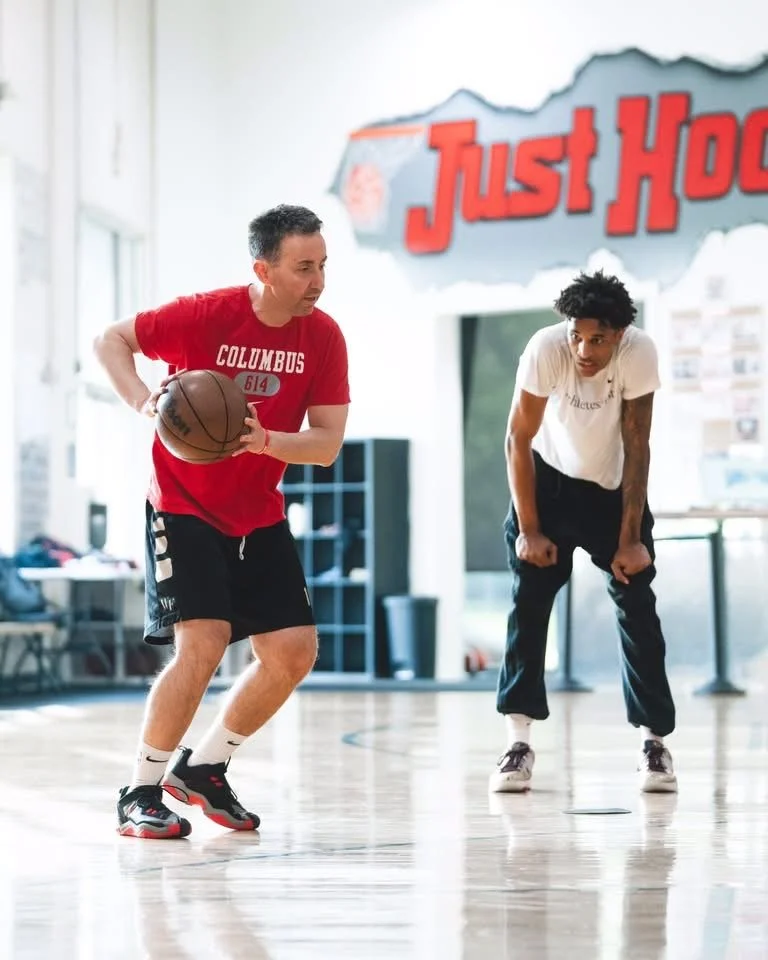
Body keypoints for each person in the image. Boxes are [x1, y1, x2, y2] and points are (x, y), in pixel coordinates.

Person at [94, 204, 350, 838]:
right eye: (302, 268)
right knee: (203, 645)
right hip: (181, 503)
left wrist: (265, 441)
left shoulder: (323, 336)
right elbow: (112, 340)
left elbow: (325, 443)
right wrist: (143, 399)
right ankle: (140, 790)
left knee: (293, 651)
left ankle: (205, 768)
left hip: (256, 509)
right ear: (263, 269)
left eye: (322, 265)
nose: (317, 281)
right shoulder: (206, 314)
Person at [490, 270, 677, 795]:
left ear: (618, 334)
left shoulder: (638, 353)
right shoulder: (546, 349)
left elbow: (637, 445)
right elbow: (516, 439)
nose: (583, 348)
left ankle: (653, 742)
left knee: (637, 605)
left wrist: (631, 536)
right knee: (528, 605)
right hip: (546, 483)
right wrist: (529, 530)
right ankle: (518, 742)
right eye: (576, 334)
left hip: (612, 487)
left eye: (597, 338)